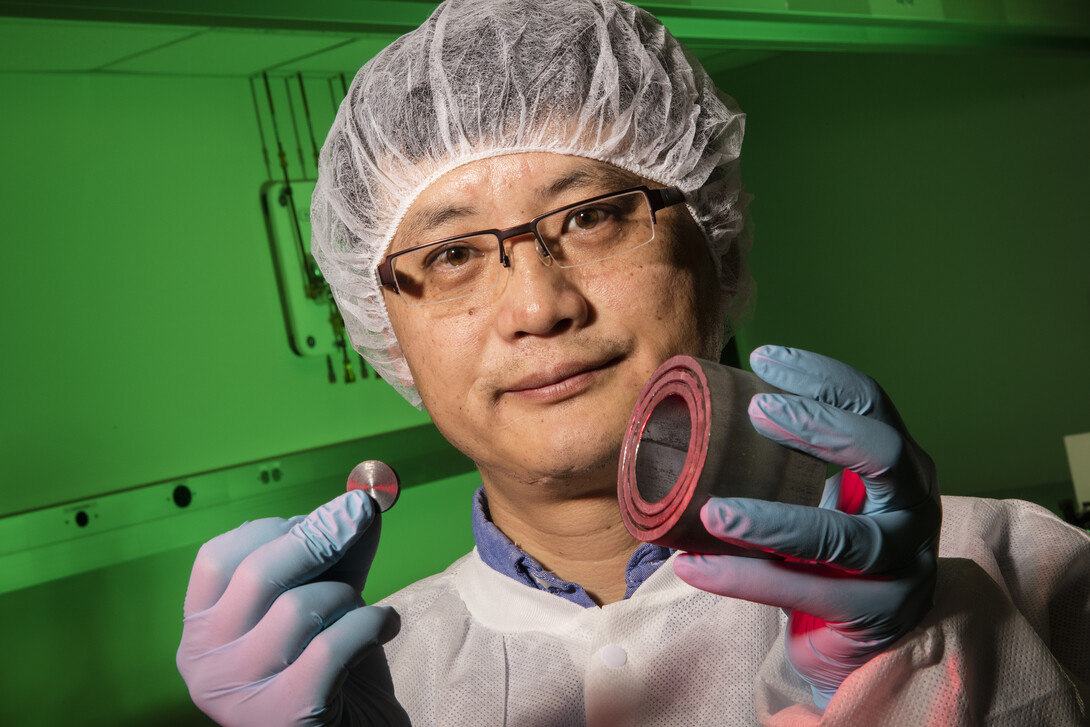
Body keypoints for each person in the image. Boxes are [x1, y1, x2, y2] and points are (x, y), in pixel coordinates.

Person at [176, 1, 1090, 724]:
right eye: (451, 254)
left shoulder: (1018, 570)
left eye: (591, 215)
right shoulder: (359, 684)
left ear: (718, 248)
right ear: (385, 329)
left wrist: (909, 664)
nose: (539, 306)